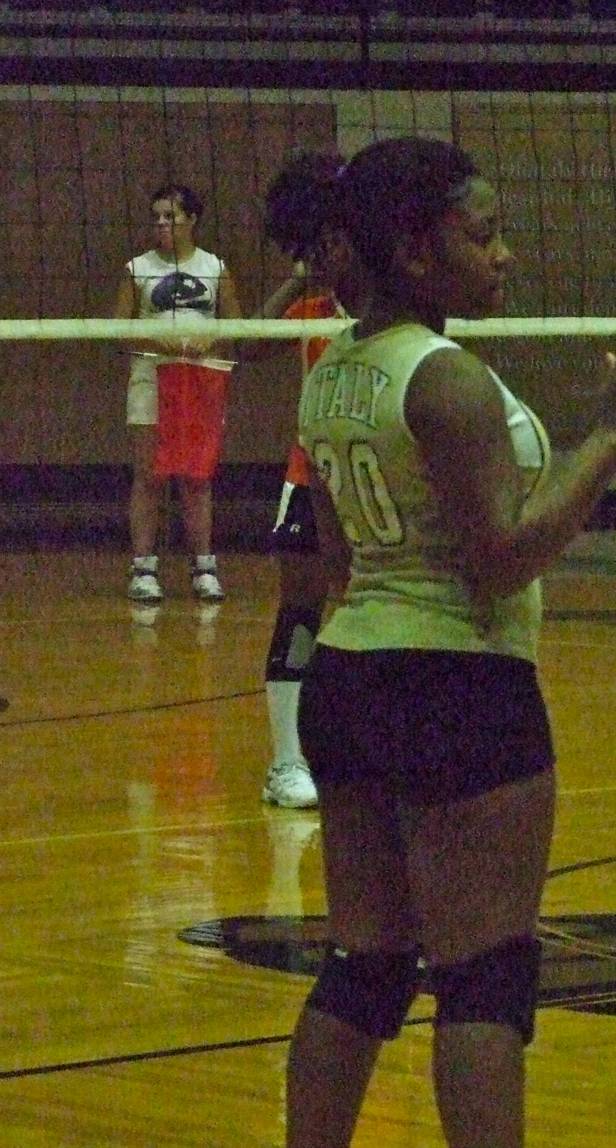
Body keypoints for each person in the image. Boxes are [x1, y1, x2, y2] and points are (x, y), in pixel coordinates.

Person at [286, 135, 616, 1148]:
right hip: (457, 683)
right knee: (483, 978)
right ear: (417, 250)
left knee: (363, 967)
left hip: (351, 673)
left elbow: (337, 560)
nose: (504, 255)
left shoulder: (331, 372)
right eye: (483, 236)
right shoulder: (446, 379)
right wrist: (611, 440)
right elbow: (501, 560)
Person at [251, 150, 361, 810]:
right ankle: (287, 764)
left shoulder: (389, 301)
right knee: (301, 611)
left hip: (378, 475)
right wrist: (298, 279)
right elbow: (248, 345)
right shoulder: (312, 304)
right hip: (309, 476)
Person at [115, 182, 243, 602]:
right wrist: (158, 342)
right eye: (155, 217)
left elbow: (238, 326)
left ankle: (204, 567)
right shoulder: (138, 268)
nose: (161, 224)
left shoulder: (214, 267)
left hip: (199, 380)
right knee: (149, 474)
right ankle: (143, 568)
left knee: (196, 476)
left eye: (169, 216)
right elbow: (118, 330)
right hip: (151, 378)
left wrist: (211, 341)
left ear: (192, 219)